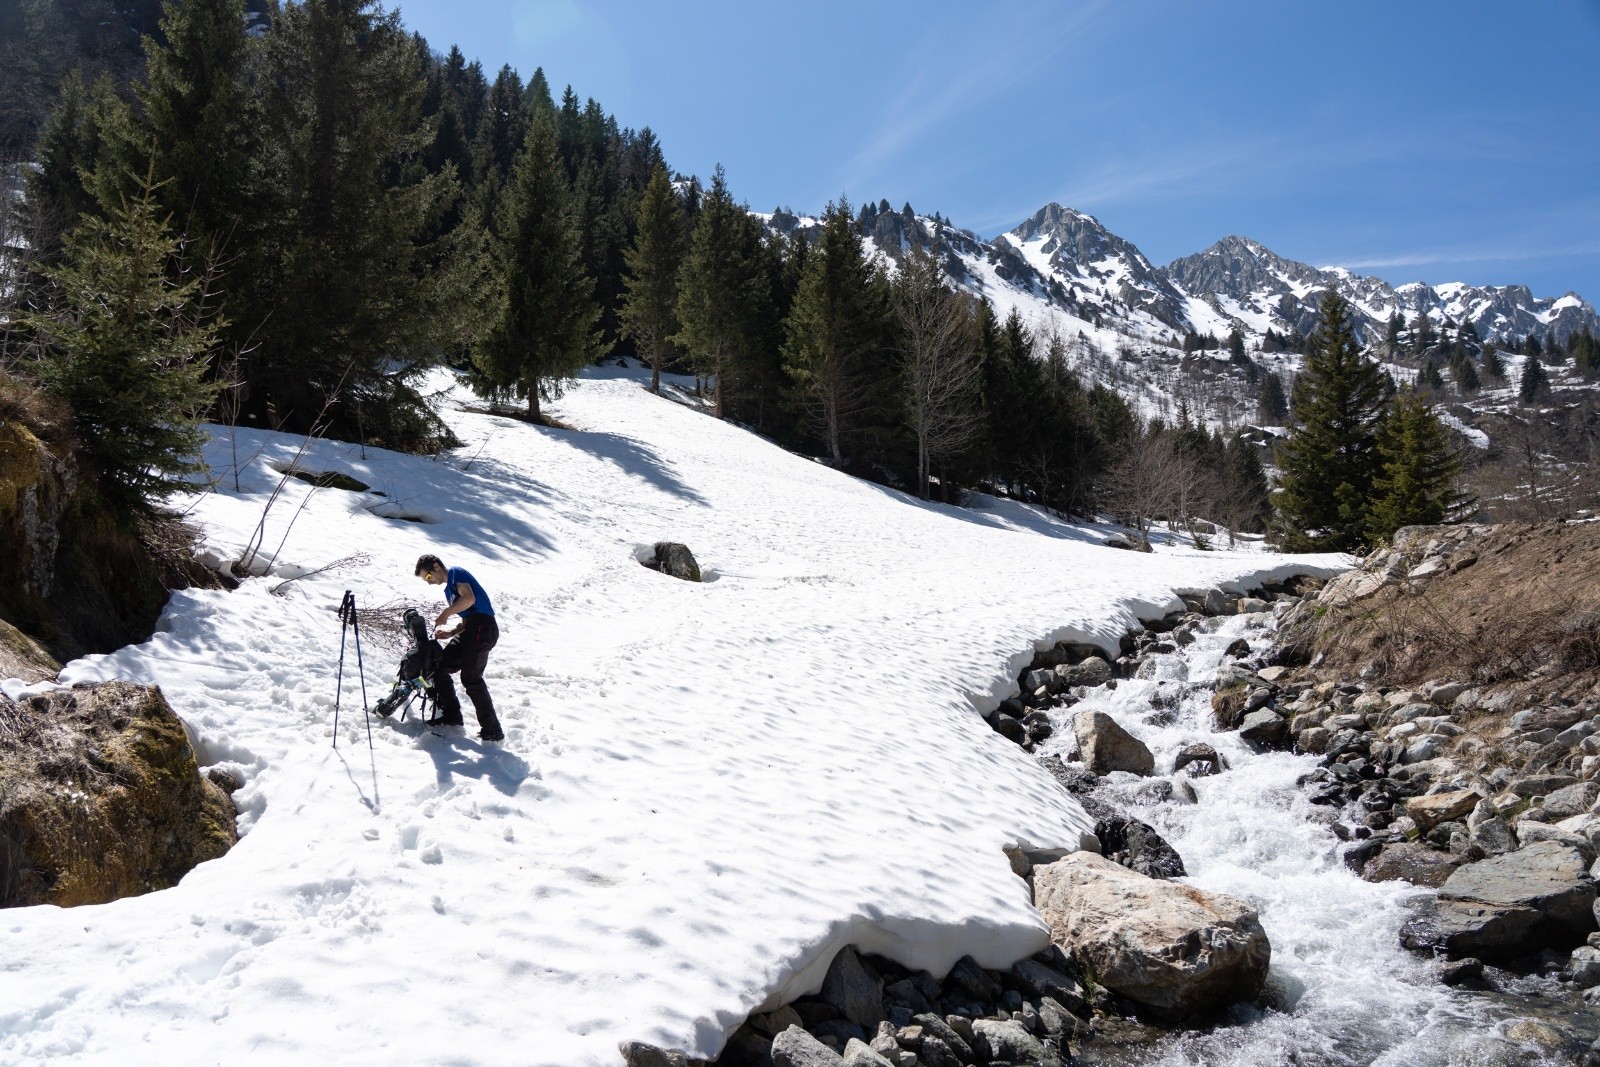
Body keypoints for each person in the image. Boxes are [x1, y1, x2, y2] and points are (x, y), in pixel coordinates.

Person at [415, 553, 504, 742]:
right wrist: (451, 632)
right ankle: (452, 715)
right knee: (439, 668)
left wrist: (446, 613)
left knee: (471, 679)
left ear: (437, 566)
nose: (429, 582)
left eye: (428, 577)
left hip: (483, 628)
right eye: (426, 580)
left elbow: (469, 599)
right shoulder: (448, 591)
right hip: (471, 629)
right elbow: (465, 619)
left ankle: (493, 730)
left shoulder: (456, 572)